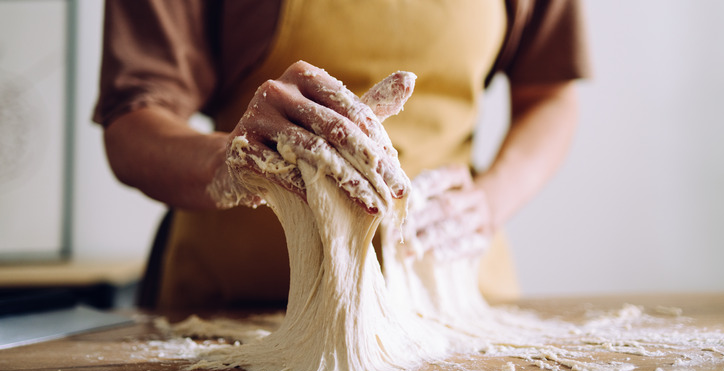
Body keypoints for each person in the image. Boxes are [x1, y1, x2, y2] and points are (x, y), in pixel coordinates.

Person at [93, 0, 590, 310]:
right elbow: (133, 120)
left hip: (449, 294)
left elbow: (549, 92)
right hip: (234, 306)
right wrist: (232, 162)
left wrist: (490, 201)